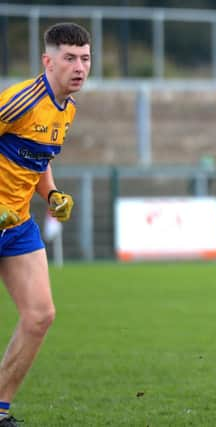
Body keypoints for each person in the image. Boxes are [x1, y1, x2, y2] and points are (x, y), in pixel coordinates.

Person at [0, 23, 91, 426]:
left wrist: (51, 194)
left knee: (40, 315)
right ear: (47, 60)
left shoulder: (66, 109)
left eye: (85, 58)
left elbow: (36, 160)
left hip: (16, 225)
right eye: (69, 58)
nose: (79, 67)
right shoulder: (19, 101)